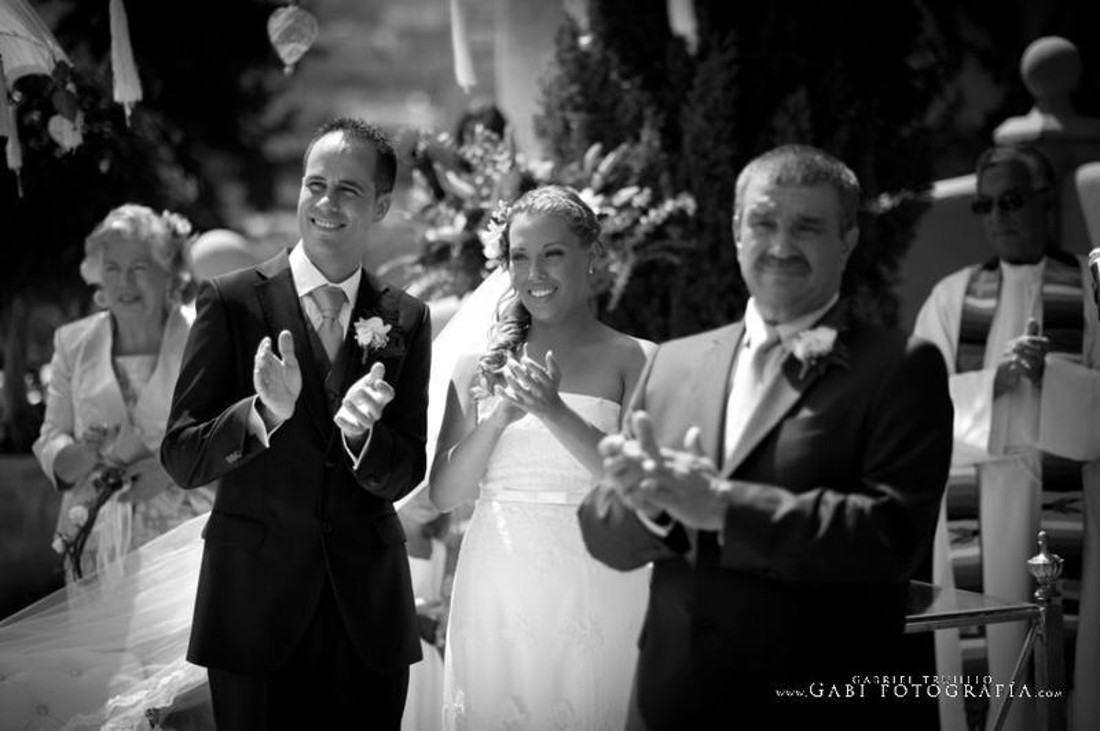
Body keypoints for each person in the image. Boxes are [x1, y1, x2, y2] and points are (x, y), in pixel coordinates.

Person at [578, 145, 954, 729]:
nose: (781, 247)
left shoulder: (901, 367)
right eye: (763, 223)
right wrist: (644, 507)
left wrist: (723, 507)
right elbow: (604, 537)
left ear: (847, 241)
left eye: (807, 227)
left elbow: (891, 538)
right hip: (674, 700)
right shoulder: (673, 363)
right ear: (734, 231)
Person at [160, 117, 432, 730]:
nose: (326, 202)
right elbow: (180, 455)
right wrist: (262, 414)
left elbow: (406, 469)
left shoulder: (407, 318)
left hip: (369, 616)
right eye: (315, 185)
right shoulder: (230, 301)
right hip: (253, 610)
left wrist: (366, 438)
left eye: (348, 190)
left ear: (381, 204)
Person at [429, 185, 655, 729]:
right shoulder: (476, 366)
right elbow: (445, 494)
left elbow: (639, 488)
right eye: (520, 256)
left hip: (597, 579)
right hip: (498, 580)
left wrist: (553, 410)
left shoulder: (636, 358)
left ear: (593, 257)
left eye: (553, 253)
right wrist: (501, 417)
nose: (536, 272)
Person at [913, 144, 1100, 731]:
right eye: (985, 204)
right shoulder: (950, 296)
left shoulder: (1091, 290)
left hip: (1072, 501)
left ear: (1047, 201)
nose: (998, 215)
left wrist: (1055, 378)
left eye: (1012, 199)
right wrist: (998, 380)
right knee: (986, 678)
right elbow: (916, 406)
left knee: (1069, 672)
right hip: (978, 507)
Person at [33, 204, 213, 583]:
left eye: (139, 268)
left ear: (170, 275)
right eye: (112, 268)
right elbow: (51, 438)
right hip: (95, 540)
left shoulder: (204, 336)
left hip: (186, 538)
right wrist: (83, 452)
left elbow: (233, 435)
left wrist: (170, 469)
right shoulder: (72, 342)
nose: (124, 283)